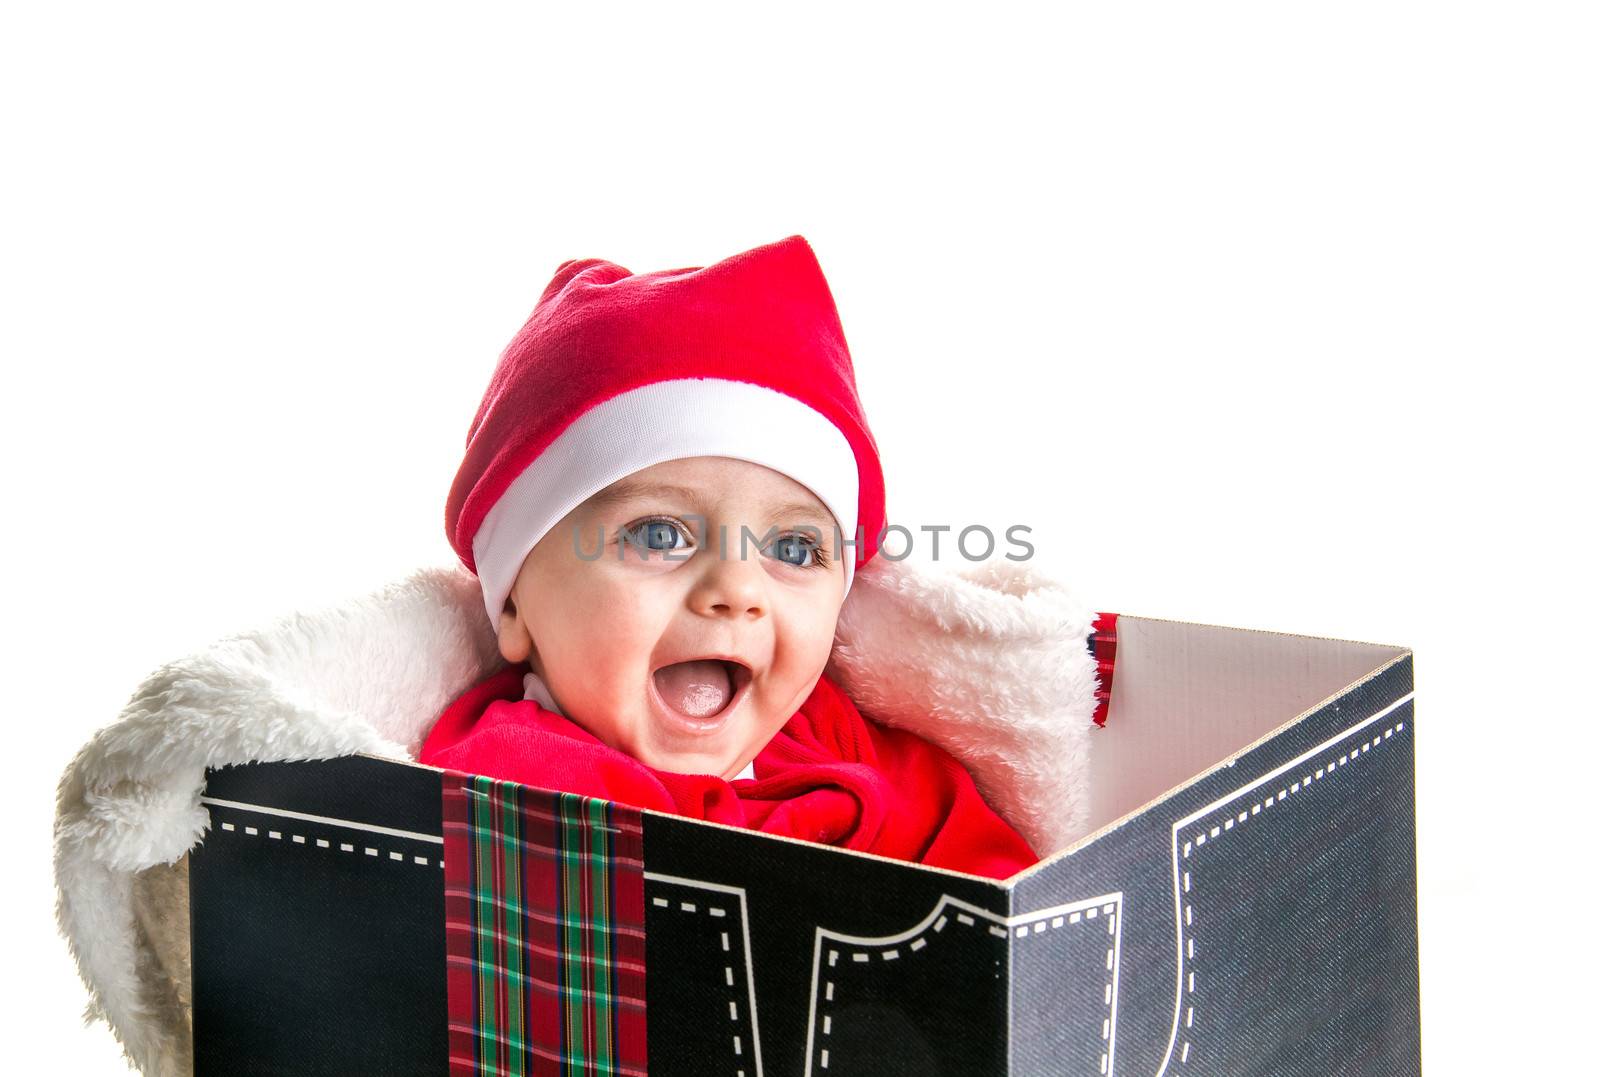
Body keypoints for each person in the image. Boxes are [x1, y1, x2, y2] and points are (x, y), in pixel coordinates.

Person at [421, 234, 1038, 881]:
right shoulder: (515, 778)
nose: (736, 588)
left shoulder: (822, 730)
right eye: (660, 536)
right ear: (515, 603)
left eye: (794, 548)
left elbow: (987, 868)